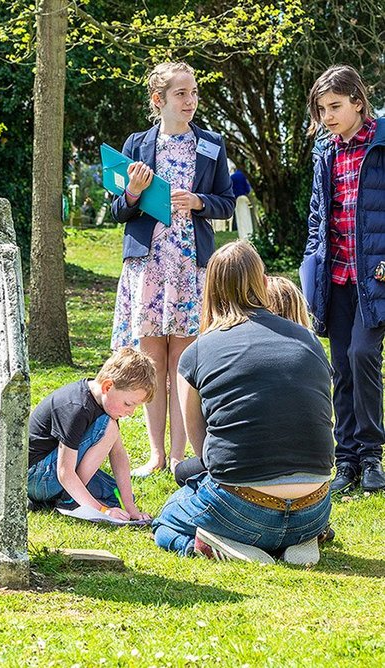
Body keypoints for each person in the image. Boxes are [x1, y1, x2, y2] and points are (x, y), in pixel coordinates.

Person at [153, 241, 334, 564]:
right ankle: (297, 541)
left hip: (241, 507)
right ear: (264, 283)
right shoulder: (308, 339)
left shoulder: (197, 351)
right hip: (315, 504)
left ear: (210, 289)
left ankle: (218, 546)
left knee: (166, 520)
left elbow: (201, 447)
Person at [110, 61, 235, 477]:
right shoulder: (137, 144)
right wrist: (133, 190)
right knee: (150, 362)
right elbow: (118, 209)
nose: (190, 101)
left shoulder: (212, 144)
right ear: (158, 100)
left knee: (183, 362)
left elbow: (226, 203)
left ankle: (181, 456)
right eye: (181, 94)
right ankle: (155, 455)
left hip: (189, 264)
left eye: (194, 92)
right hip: (147, 265)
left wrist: (199, 202)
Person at [301, 64, 385, 494]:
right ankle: (346, 460)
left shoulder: (382, 143)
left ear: (357, 100)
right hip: (334, 277)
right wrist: (310, 266)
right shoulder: (326, 152)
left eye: (335, 106)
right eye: (321, 109)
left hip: (376, 277)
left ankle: (372, 456)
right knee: (340, 368)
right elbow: (318, 217)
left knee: (362, 355)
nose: (327, 116)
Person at [172, 273, 313, 486]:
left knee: (184, 475)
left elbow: (203, 443)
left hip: (244, 472)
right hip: (310, 475)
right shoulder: (311, 352)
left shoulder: (229, 350)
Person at [26, 348, 155, 521]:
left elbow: (118, 455)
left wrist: (130, 507)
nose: (131, 412)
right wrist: (102, 511)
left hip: (52, 475)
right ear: (108, 386)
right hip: (35, 477)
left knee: (114, 494)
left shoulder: (106, 405)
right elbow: (64, 471)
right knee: (109, 427)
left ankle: (63, 498)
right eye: (128, 404)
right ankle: (68, 501)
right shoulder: (76, 407)